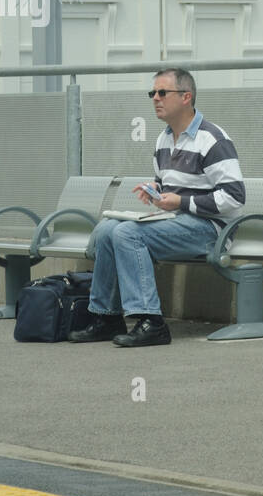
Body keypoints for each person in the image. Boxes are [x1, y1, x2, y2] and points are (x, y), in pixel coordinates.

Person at [69, 68, 245, 348]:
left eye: (163, 92)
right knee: (106, 230)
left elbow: (234, 197)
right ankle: (106, 316)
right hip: (174, 220)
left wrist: (181, 202)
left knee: (128, 234)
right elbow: (169, 185)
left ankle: (152, 322)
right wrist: (155, 189)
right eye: (152, 93)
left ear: (186, 97)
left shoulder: (212, 139)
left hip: (210, 228)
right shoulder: (164, 139)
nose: (155, 98)